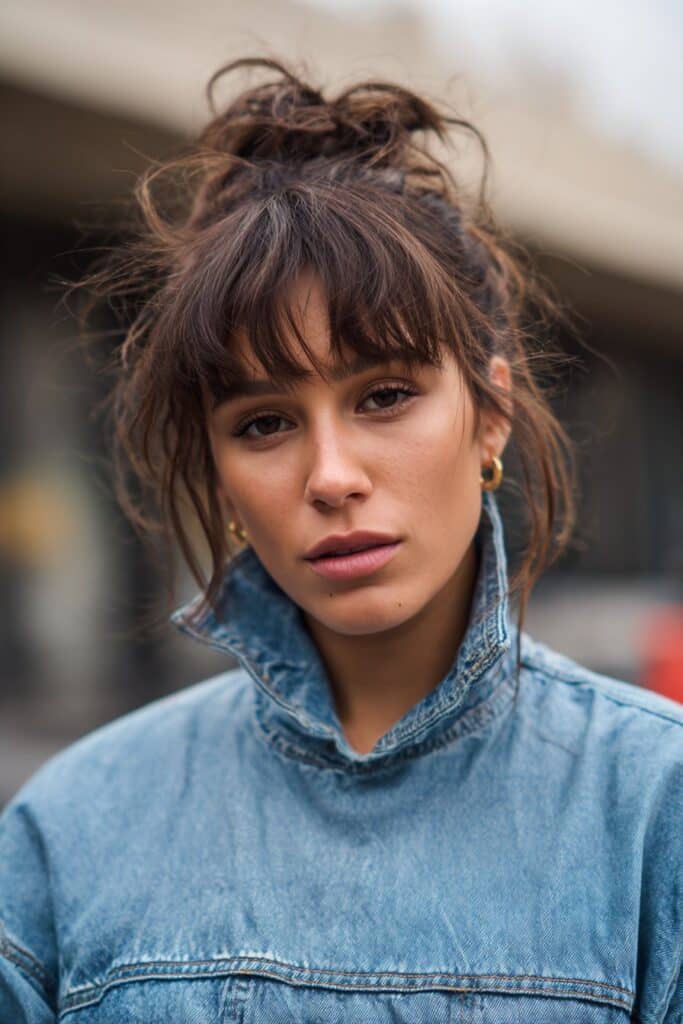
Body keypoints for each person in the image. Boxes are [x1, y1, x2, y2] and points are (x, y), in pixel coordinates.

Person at [0, 56, 680, 1024]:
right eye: (264, 423)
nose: (329, 475)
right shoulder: (73, 824)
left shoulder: (653, 805)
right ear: (219, 468)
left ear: (488, 415)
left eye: (385, 396)